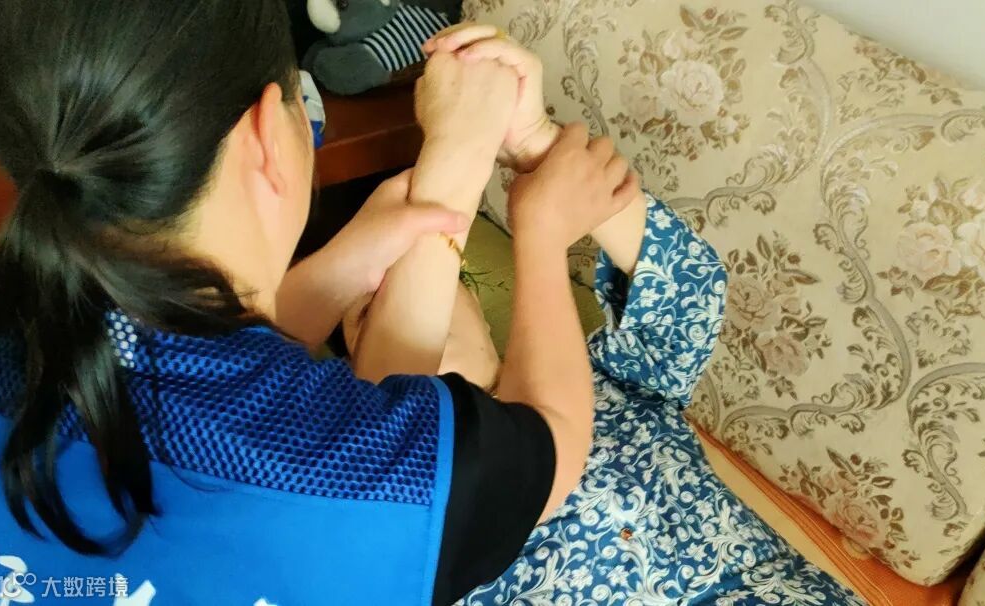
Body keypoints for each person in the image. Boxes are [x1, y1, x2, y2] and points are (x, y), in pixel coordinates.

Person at [0, 2, 636, 604]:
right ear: (269, 131)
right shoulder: (358, 480)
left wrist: (340, 269)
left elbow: (192, 378)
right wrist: (538, 227)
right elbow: (551, 438)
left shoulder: (26, 336)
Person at [338, 25, 865, 605]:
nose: (406, 288)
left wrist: (533, 144)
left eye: (438, 276)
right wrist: (516, 212)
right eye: (369, 309)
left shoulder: (605, 379)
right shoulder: (409, 524)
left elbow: (690, 287)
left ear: (486, 318)